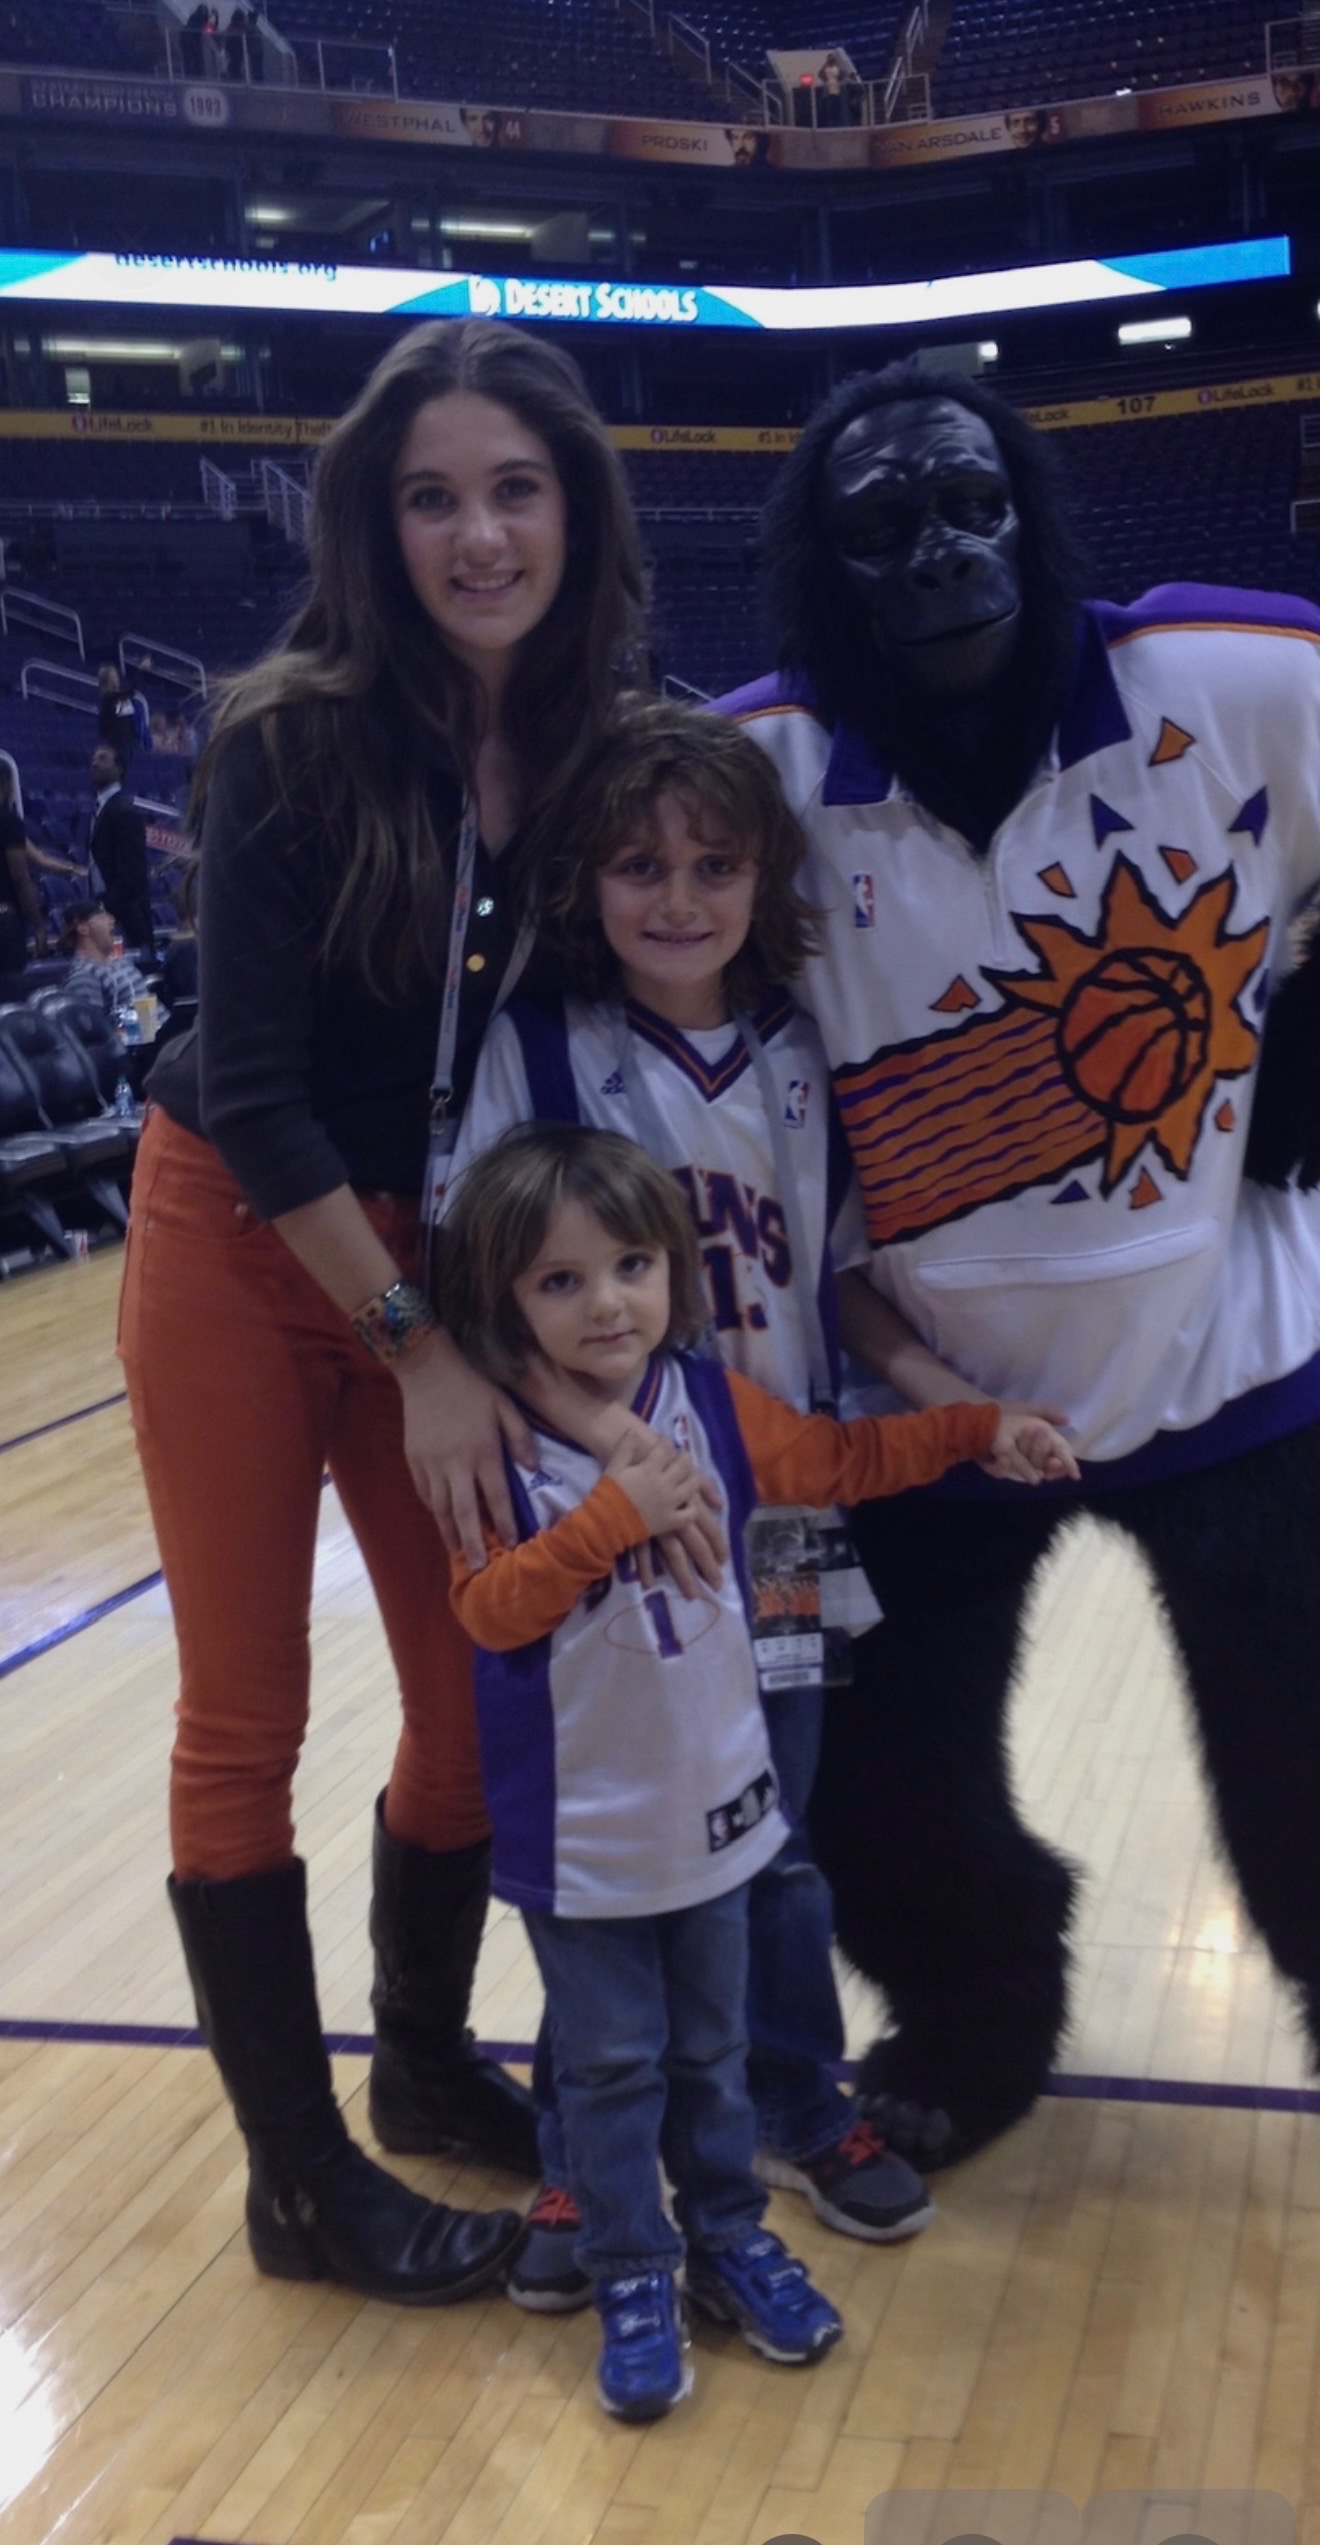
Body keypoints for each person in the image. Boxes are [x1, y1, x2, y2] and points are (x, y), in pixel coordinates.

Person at [116, 315, 680, 2307]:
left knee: (469, 1702)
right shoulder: (289, 725)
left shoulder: (614, 736)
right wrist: (425, 1354)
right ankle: (299, 2182)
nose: (478, 532)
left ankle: (431, 2067)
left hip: (434, 1261)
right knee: (245, 1709)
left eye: (514, 488)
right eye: (433, 494)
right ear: (378, 517)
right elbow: (257, 1084)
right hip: (247, 1242)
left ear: (572, 507)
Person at [722, 358, 1320, 2169]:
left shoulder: (1236, 680)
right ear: (830, 576)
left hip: (1236, 1355)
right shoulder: (758, 776)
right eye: (885, 531)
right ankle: (975, 2021)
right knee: (888, 1795)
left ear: (1036, 516)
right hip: (929, 1392)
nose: (940, 558)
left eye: (971, 508)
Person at [450, 698, 1079, 2309]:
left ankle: (801, 2108)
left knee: (773, 1846)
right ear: (588, 875)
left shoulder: (802, 1049)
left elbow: (846, 1287)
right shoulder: (536, 1045)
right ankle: (591, 2165)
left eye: (712, 864)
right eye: (640, 864)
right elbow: (478, 1302)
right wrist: (614, 1451)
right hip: (594, 1521)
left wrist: (955, 1406)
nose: (676, 897)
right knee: (607, 1848)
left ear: (761, 875)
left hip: (775, 1519)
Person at [438, 1121, 1068, 2418]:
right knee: (613, 2063)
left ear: (672, 1267)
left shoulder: (720, 1407)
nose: (605, 1302)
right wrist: (619, 1517)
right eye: (560, 1282)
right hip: (582, 1836)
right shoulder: (489, 1449)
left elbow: (845, 1461)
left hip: (716, 1811)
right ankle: (630, 2261)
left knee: (715, 2050)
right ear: (506, 1300)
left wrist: (975, 1428)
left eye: (627, 1266)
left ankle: (727, 2235)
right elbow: (491, 1612)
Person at [87, 744, 155, 957]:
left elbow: (133, 873)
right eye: (94, 759)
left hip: (124, 915)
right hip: (108, 908)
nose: (94, 763)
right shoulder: (101, 808)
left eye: (103, 758)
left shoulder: (124, 811)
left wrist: (107, 905)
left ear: (119, 769)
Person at [61, 900, 149, 1019]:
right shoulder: (83, 976)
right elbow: (95, 1030)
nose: (111, 921)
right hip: (145, 1035)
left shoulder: (121, 962)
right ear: (82, 927)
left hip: (163, 1030)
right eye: (102, 917)